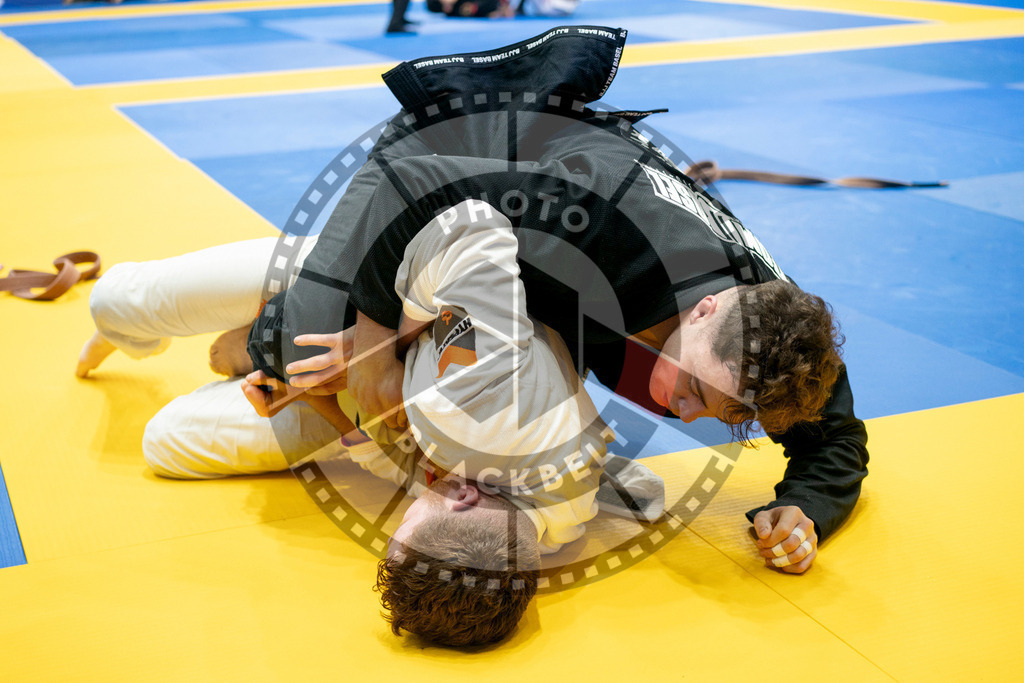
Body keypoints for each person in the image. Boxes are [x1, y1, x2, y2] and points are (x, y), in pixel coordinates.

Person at [246, 25, 868, 578]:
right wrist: (378, 346)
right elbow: (408, 188)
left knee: (432, 337)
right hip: (443, 153)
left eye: (722, 413)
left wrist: (806, 508)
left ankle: (347, 279)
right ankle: (268, 312)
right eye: (694, 388)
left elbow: (835, 438)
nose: (687, 411)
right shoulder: (603, 222)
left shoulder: (780, 342)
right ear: (704, 309)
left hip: (518, 237)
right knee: (297, 349)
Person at [77, 225, 665, 646]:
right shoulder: (483, 403)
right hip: (363, 284)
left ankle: (248, 350)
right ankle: (193, 332)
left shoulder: (532, 535)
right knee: (115, 301)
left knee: (165, 443)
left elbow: (400, 468)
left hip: (373, 397)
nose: (402, 513)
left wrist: (319, 399)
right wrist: (372, 351)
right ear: (463, 495)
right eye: (408, 520)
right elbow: (469, 230)